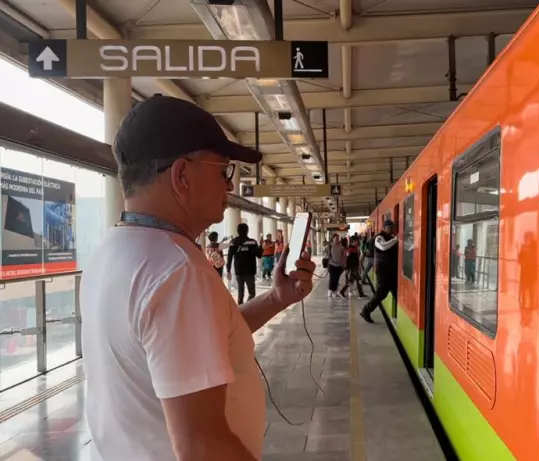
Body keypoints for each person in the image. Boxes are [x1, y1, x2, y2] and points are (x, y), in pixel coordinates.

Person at [80, 94, 315, 461]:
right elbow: (201, 445)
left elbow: (199, 342)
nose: (230, 186)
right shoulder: (178, 273)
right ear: (181, 175)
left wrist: (275, 299)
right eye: (223, 171)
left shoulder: (111, 253)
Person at [360, 220, 398, 323]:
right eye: (390, 227)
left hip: (392, 271)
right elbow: (383, 246)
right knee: (381, 293)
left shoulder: (391, 237)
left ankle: (402, 316)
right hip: (383, 270)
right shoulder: (379, 237)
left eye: (393, 227)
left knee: (397, 293)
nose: (392, 229)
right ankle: (366, 310)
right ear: (385, 227)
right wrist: (397, 239)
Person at [226, 223, 263, 304]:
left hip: (238, 271)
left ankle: (240, 309)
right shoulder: (252, 242)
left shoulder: (233, 242)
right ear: (247, 231)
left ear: (238, 231)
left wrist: (228, 270)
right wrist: (261, 245)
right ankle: (247, 306)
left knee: (240, 293)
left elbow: (229, 257)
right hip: (250, 271)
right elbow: (259, 255)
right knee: (252, 293)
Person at [326, 234, 346, 298]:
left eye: (338, 238)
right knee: (332, 278)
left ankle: (334, 291)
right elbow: (326, 252)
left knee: (336, 279)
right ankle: (330, 291)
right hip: (331, 264)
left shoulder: (341, 246)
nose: (337, 239)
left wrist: (344, 263)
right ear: (333, 238)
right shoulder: (330, 245)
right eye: (336, 238)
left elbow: (344, 252)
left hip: (339, 265)